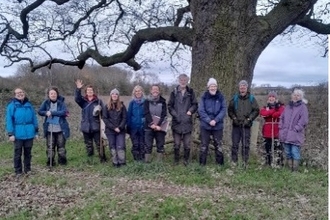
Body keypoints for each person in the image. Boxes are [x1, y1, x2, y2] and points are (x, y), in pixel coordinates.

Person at [5, 88, 39, 177]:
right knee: (18, 153)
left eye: (22, 92)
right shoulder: (11, 106)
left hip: (29, 133)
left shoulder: (29, 105)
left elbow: (34, 119)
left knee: (28, 153)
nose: (20, 94)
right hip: (18, 133)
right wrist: (10, 133)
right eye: (18, 93)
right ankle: (18, 171)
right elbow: (9, 120)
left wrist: (36, 132)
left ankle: (28, 169)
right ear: (15, 95)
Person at [228, 80, 259, 167]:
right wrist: (234, 118)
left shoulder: (251, 99)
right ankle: (234, 162)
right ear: (239, 87)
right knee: (234, 144)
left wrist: (249, 119)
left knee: (245, 145)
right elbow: (230, 110)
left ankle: (244, 162)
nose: (242, 88)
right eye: (241, 86)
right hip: (236, 125)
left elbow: (256, 110)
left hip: (246, 125)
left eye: (244, 86)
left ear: (246, 87)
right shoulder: (234, 98)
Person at [168, 74, 198, 165]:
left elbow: (195, 104)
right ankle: (176, 160)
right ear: (178, 81)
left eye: (185, 80)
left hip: (187, 122)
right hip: (176, 122)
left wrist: (190, 111)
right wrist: (175, 115)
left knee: (187, 144)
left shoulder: (191, 92)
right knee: (176, 144)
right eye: (181, 80)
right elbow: (169, 106)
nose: (183, 82)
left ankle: (186, 160)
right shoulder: (174, 92)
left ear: (187, 81)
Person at [74, 79, 106, 163]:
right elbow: (77, 99)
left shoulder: (98, 101)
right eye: (88, 90)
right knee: (88, 145)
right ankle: (90, 159)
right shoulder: (83, 101)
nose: (90, 91)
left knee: (99, 144)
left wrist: (100, 110)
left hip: (96, 126)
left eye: (91, 90)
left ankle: (102, 158)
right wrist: (78, 89)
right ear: (86, 92)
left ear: (94, 92)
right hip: (86, 126)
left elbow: (104, 113)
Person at [38, 86, 70, 167]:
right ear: (48, 95)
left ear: (57, 94)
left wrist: (52, 113)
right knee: (50, 147)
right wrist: (46, 112)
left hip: (60, 128)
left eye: (54, 93)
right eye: (51, 93)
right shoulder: (45, 103)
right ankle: (50, 161)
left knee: (61, 146)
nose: (53, 95)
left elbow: (64, 112)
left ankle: (62, 161)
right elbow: (40, 111)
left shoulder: (61, 103)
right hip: (49, 129)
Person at [198, 78, 226, 165]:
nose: (213, 88)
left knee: (218, 145)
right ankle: (202, 165)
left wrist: (216, 120)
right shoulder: (203, 97)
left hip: (218, 126)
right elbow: (201, 110)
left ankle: (220, 165)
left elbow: (223, 110)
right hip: (205, 125)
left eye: (214, 86)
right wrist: (208, 120)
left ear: (216, 87)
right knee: (204, 146)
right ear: (208, 87)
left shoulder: (221, 97)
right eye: (211, 86)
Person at [279, 89, 308, 172]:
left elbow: (304, 120)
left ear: (301, 97)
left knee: (294, 151)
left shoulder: (303, 107)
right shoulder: (288, 107)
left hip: (295, 134)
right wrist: (281, 126)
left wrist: (296, 129)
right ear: (292, 96)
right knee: (288, 152)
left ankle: (295, 170)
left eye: (298, 95)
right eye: (294, 95)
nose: (296, 96)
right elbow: (282, 117)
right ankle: (289, 168)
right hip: (285, 133)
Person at [103, 88, 127, 167]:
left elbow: (124, 118)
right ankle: (115, 162)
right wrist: (114, 128)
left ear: (118, 96)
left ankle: (122, 162)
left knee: (121, 146)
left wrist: (120, 127)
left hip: (121, 130)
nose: (114, 95)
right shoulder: (106, 106)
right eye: (113, 94)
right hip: (110, 131)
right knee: (112, 146)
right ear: (111, 95)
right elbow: (105, 119)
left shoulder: (122, 106)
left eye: (116, 94)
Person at [260, 91, 285, 166]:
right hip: (267, 131)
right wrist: (274, 111)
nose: (271, 98)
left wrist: (271, 114)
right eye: (270, 97)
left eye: (273, 97)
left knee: (278, 147)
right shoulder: (265, 107)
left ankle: (279, 163)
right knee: (268, 147)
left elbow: (280, 113)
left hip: (277, 130)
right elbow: (263, 113)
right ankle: (269, 163)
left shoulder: (281, 107)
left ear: (276, 98)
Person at [144, 84, 167, 163]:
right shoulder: (146, 101)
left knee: (160, 145)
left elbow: (164, 114)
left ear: (159, 91)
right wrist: (152, 124)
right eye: (153, 89)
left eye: (156, 89)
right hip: (148, 126)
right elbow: (146, 113)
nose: (155, 91)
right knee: (148, 145)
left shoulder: (163, 102)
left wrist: (158, 125)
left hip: (160, 127)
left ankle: (158, 163)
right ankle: (147, 162)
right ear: (151, 91)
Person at [126, 85, 146, 162]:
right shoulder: (132, 103)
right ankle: (136, 159)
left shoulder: (145, 102)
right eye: (136, 91)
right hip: (133, 127)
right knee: (135, 144)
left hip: (142, 127)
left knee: (142, 144)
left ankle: (142, 159)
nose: (138, 92)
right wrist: (128, 127)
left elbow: (147, 114)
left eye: (139, 91)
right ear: (134, 93)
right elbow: (129, 115)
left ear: (142, 92)